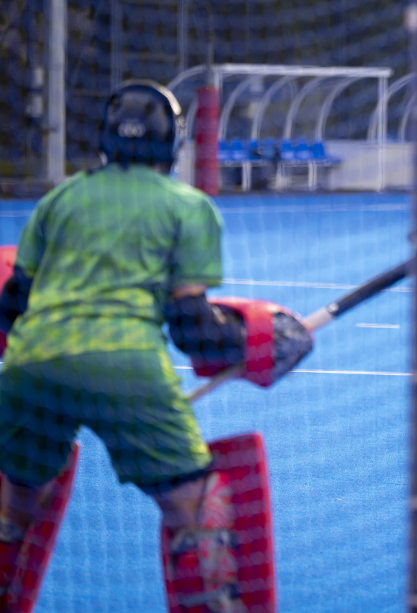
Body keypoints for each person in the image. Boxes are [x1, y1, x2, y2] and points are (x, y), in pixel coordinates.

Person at [0, 80, 249, 611]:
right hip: (125, 364)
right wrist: (248, 340)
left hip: (30, 363)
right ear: (172, 141)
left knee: (14, 505)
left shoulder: (60, 197)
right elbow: (189, 324)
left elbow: (14, 301)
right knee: (195, 503)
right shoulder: (188, 206)